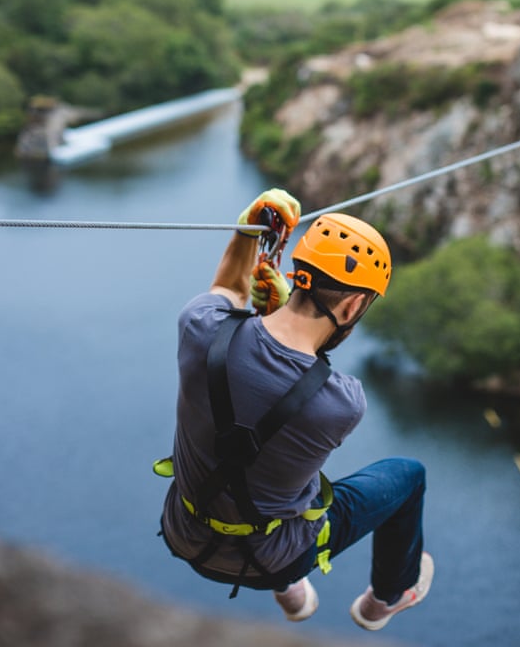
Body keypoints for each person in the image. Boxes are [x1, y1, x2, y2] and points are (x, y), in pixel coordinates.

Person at [157, 188, 433, 631]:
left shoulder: (200, 329)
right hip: (276, 562)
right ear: (354, 305)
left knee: (265, 477)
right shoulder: (343, 402)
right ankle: (385, 598)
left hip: (184, 535)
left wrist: (248, 228)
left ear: (298, 274)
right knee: (407, 476)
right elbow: (295, 380)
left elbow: (228, 289)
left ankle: (294, 596)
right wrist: (278, 315)